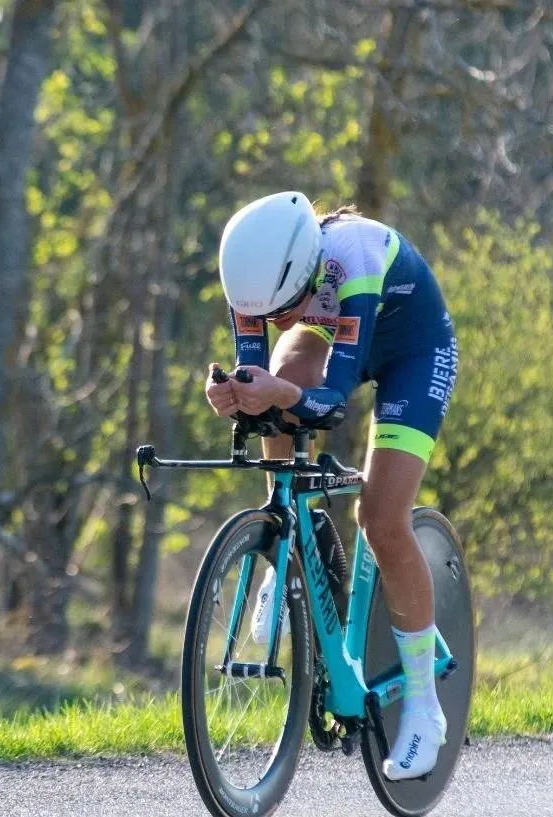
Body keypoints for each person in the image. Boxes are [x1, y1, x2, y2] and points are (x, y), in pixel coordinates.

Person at [205, 191, 458, 780]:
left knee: (382, 519)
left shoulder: (354, 260)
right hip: (333, 327)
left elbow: (329, 403)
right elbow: (257, 378)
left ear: (304, 277)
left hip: (411, 353)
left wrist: (279, 393)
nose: (273, 325)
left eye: (282, 312)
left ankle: (424, 704)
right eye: (265, 317)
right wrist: (236, 393)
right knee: (269, 392)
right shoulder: (254, 278)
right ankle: (286, 549)